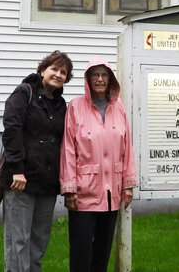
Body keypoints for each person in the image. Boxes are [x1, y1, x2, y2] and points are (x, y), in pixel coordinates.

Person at [60, 56, 136, 272]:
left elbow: (127, 146)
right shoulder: (75, 107)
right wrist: (69, 188)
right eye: (95, 75)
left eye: (104, 75)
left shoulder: (118, 107)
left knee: (103, 252)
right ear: (88, 79)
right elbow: (68, 148)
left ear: (110, 79)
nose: (100, 79)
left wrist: (128, 184)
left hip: (112, 191)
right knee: (81, 252)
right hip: (83, 193)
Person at [1, 50, 73, 272]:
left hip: (47, 184)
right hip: (20, 181)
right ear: (43, 70)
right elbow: (11, 130)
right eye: (54, 69)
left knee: (39, 242)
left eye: (63, 72)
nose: (58, 74)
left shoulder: (62, 105)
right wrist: (17, 170)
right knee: (18, 242)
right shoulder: (24, 93)